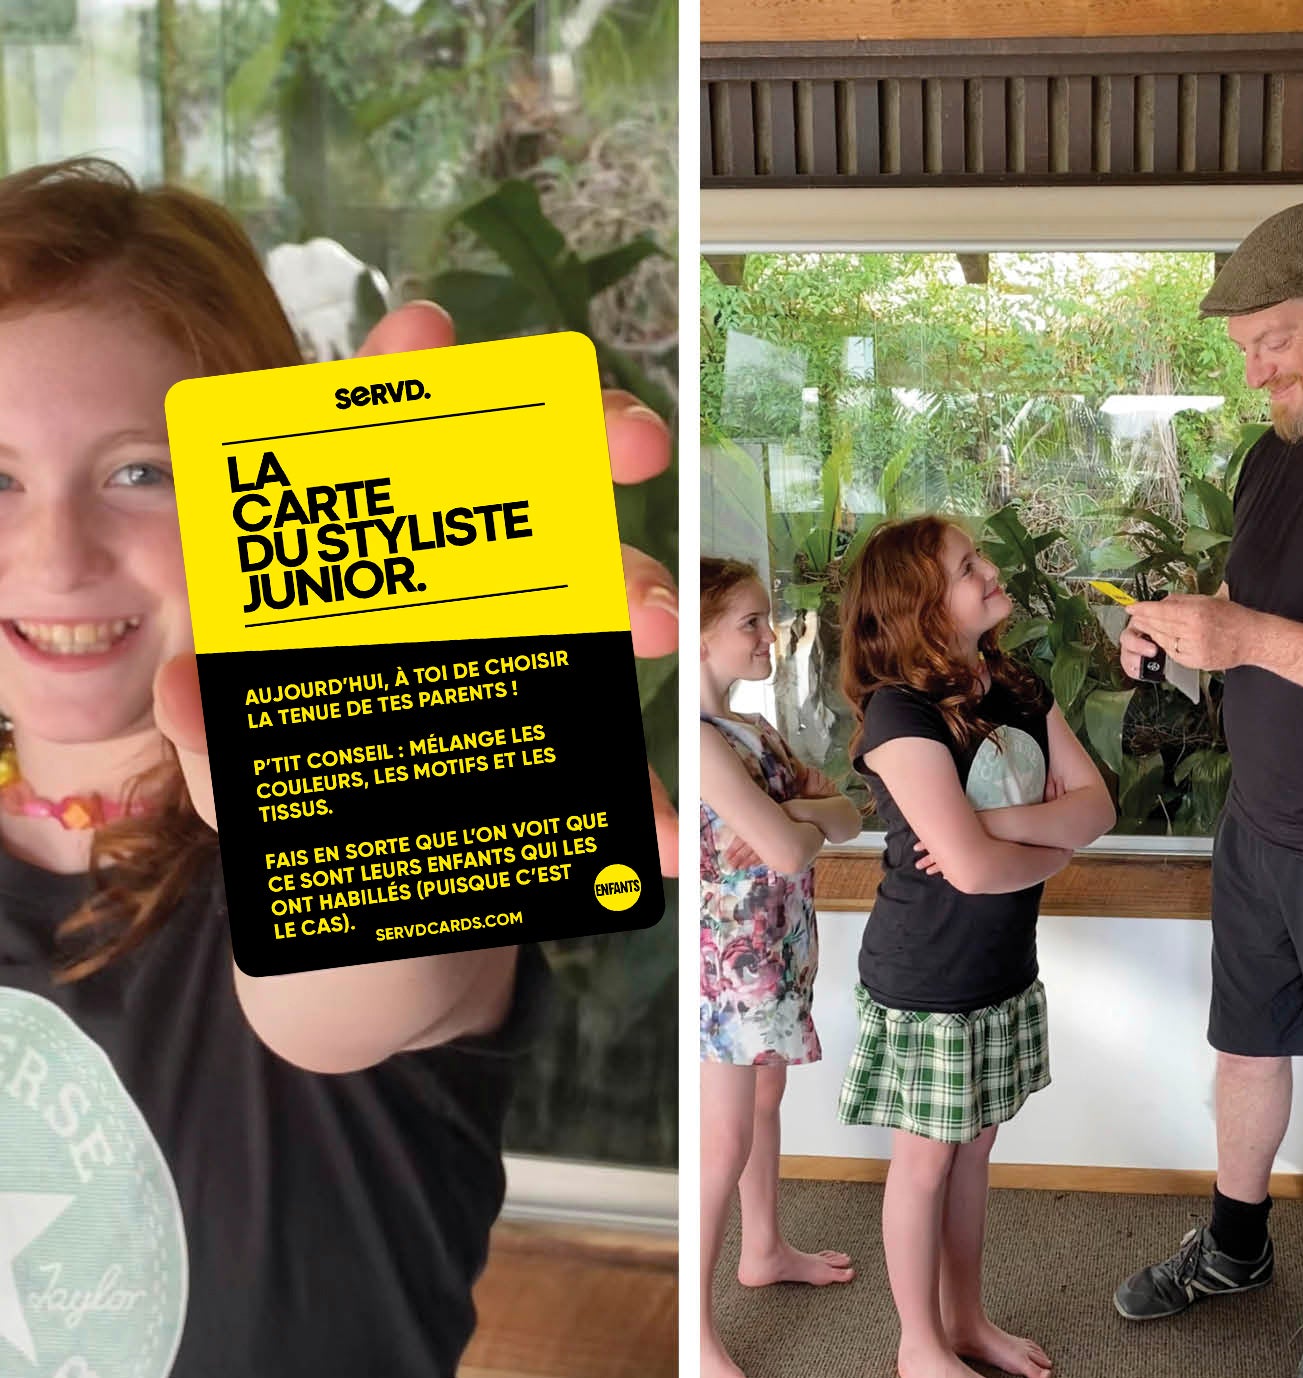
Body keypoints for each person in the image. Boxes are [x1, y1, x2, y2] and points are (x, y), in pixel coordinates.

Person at [0, 157, 679, 1376]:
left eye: (141, 471)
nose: (57, 553)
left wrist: (376, 740)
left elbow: (350, 991)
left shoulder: (332, 823)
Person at [1108, 199, 1303, 1378]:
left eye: (1273, 339)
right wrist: (1172, 631)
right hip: (1256, 823)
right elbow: (1246, 608)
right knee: (1247, 1047)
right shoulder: (1268, 461)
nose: (1255, 370)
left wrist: (1247, 637)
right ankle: (1234, 1247)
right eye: (1244, 348)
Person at [836, 515, 1114, 1378]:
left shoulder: (1017, 684)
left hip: (1002, 969)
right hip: (926, 978)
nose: (990, 568)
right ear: (920, 606)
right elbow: (972, 871)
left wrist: (990, 825)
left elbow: (1097, 809)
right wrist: (1042, 844)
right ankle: (917, 1346)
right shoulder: (900, 713)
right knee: (925, 1164)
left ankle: (965, 1321)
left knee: (974, 1151)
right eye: (966, 567)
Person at [695, 556, 861, 1378]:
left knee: (766, 1098)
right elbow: (793, 850)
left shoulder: (754, 732)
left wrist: (790, 810)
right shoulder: (698, 742)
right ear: (699, 638)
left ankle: (762, 1247)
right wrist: (797, 821)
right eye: (751, 622)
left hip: (777, 952)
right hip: (728, 971)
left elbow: (849, 813)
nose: (771, 635)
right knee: (723, 1139)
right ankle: (692, 1332)